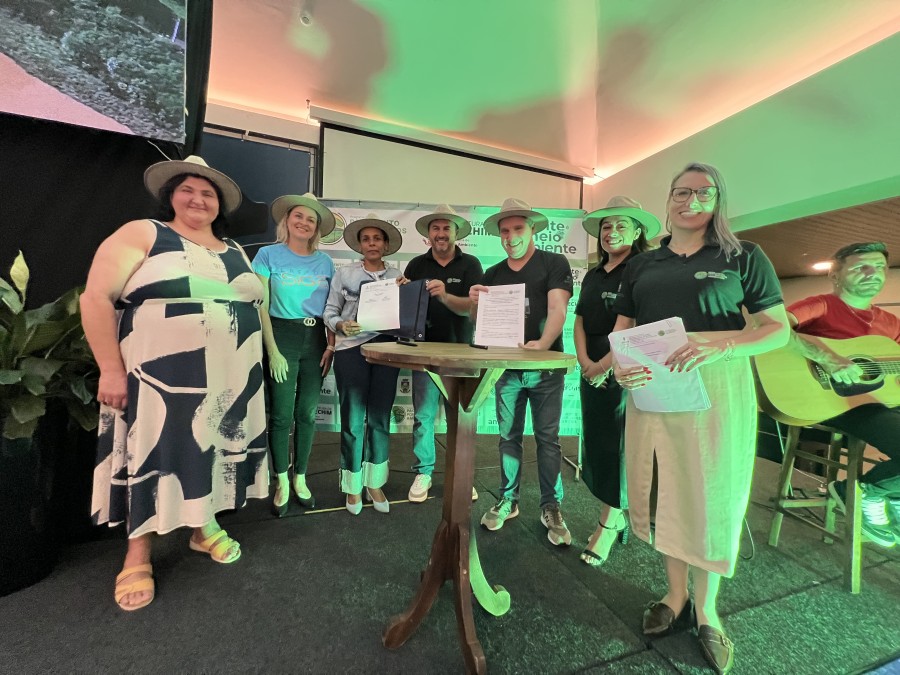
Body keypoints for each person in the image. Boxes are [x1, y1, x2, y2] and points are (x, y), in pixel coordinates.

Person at [612, 163, 789, 674]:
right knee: (664, 489)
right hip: (654, 386)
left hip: (718, 385)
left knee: (710, 494)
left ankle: (708, 609)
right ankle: (675, 596)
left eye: (703, 193)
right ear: (668, 199)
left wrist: (723, 347)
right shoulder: (642, 264)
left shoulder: (742, 256)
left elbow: (776, 329)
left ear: (718, 201)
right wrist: (621, 368)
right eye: (681, 192)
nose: (690, 200)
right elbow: (624, 328)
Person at [82, 155, 269, 612]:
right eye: (188, 189)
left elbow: (256, 306)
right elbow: (96, 297)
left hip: (229, 376)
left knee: (209, 446)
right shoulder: (144, 232)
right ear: (171, 196)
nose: (198, 199)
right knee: (151, 450)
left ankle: (203, 527)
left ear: (220, 204)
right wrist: (110, 368)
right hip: (157, 375)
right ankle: (137, 553)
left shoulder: (235, 250)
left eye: (208, 193)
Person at [469, 197, 574, 546]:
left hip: (546, 369)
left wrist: (542, 344)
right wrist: (475, 303)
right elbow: (480, 324)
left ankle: (551, 506)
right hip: (507, 370)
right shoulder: (493, 274)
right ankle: (508, 499)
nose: (511, 236)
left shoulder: (554, 263)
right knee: (508, 438)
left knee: (547, 439)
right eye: (505, 231)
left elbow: (559, 309)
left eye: (518, 229)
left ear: (532, 230)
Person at [787, 241, 900, 547]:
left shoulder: (891, 323)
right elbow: (773, 328)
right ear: (835, 275)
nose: (872, 273)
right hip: (834, 401)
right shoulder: (821, 305)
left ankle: (892, 495)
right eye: (861, 266)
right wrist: (826, 357)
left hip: (880, 402)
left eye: (879, 267)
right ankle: (864, 491)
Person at [574, 196, 658, 567]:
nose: (611, 232)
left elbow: (634, 324)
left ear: (637, 231)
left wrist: (604, 366)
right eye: (606, 226)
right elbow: (579, 319)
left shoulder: (644, 268)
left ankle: (608, 523)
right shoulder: (594, 273)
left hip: (623, 366)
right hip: (591, 365)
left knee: (619, 447)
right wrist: (585, 362)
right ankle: (615, 514)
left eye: (621, 225)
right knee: (598, 444)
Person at [252, 193, 336, 517]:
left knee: (308, 413)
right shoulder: (267, 255)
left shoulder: (325, 262)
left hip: (315, 339)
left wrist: (331, 345)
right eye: (298, 216)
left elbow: (332, 308)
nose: (304, 222)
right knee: (281, 415)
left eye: (311, 219)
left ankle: (300, 477)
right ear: (287, 220)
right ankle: (282, 481)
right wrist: (272, 350)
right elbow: (260, 305)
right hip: (281, 336)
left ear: (316, 228)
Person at [324, 215, 406, 515]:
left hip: (386, 349)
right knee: (353, 419)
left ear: (385, 245)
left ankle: (374, 482)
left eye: (377, 239)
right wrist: (340, 325)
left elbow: (405, 315)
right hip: (350, 350)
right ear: (360, 245)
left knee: (380, 418)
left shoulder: (397, 275)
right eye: (366, 239)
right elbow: (329, 311)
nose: (372, 243)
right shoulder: (344, 274)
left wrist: (407, 293)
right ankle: (352, 485)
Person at [404, 204, 483, 503]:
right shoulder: (416, 265)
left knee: (459, 417)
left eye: (446, 228)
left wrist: (445, 295)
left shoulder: (471, 264)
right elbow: (406, 308)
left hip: (462, 351)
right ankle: (423, 471)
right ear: (428, 234)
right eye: (435, 228)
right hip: (423, 351)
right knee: (423, 416)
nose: (441, 233)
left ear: (456, 232)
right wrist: (401, 291)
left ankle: (460, 473)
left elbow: (474, 310)